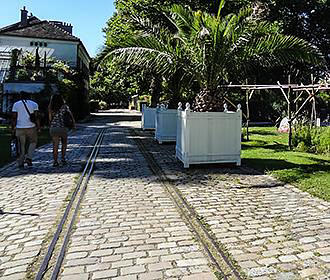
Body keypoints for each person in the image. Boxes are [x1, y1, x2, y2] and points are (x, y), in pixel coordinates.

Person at [11, 91, 40, 168]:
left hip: (20, 127)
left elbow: (14, 117)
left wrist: (13, 127)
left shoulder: (16, 104)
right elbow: (36, 117)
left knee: (21, 145)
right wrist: (38, 126)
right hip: (31, 126)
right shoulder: (34, 104)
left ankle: (21, 161)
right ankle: (29, 158)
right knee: (33, 142)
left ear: (20, 96)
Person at [48, 94, 76, 167]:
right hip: (63, 128)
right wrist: (73, 124)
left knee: (55, 145)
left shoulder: (51, 107)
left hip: (54, 128)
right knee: (64, 144)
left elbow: (50, 119)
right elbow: (71, 116)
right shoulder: (65, 107)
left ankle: (55, 161)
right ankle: (63, 159)